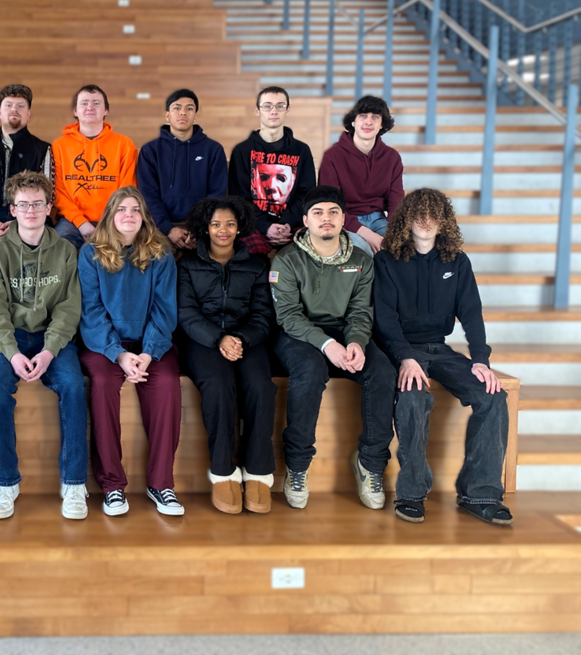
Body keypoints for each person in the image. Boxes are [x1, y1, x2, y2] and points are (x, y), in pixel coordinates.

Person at [373, 188, 511, 527]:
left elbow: (472, 312)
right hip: (401, 349)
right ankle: (411, 494)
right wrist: (405, 357)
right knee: (413, 398)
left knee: (493, 396)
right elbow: (385, 319)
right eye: (419, 214)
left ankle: (480, 494)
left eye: (433, 214)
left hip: (440, 348)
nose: (426, 221)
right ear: (406, 219)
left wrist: (480, 359)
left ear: (443, 221)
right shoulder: (386, 260)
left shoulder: (457, 262)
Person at [270, 185, 396, 511]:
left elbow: (360, 311)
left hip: (345, 332)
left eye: (333, 212)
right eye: (318, 213)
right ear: (305, 221)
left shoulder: (360, 261)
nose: (326, 219)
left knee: (382, 371)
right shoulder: (286, 260)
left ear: (343, 220)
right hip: (298, 336)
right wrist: (327, 346)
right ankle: (297, 467)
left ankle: (370, 463)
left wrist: (354, 342)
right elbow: (287, 316)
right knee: (310, 372)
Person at [0, 172, 88, 520]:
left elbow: (69, 308)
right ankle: (5, 483)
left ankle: (74, 484)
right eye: (23, 205)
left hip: (49, 338)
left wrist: (48, 350)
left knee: (73, 385)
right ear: (12, 209)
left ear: (48, 207)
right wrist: (11, 353)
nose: (30, 210)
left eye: (37, 204)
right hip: (7, 339)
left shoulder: (66, 252)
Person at [78, 187, 182, 517]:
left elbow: (165, 310)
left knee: (166, 385)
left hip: (152, 344)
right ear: (110, 215)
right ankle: (112, 485)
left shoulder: (161, 253)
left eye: (135, 210)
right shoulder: (91, 253)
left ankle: (161, 483)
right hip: (104, 346)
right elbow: (91, 311)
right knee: (104, 386)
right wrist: (118, 354)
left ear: (144, 217)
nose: (128, 215)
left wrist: (148, 353)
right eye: (121, 209)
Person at [177, 197, 276, 515]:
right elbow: (186, 315)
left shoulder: (257, 265)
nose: (223, 230)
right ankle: (223, 472)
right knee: (219, 386)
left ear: (240, 228)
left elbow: (264, 315)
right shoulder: (188, 264)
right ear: (206, 227)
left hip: (248, 340)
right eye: (216, 224)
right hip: (202, 342)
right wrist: (218, 338)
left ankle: (258, 471)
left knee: (261, 386)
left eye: (230, 224)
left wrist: (239, 338)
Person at [0, 84, 53, 252]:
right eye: (9, 105)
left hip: (31, 215)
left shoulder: (42, 149)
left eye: (21, 106)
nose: (14, 110)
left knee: (46, 242)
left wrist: (23, 219)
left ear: (28, 113)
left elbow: (48, 191)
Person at [137, 89, 227, 251]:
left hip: (202, 225)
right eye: (177, 108)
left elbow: (217, 194)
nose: (183, 113)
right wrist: (169, 229)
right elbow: (148, 195)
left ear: (195, 115)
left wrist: (197, 228)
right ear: (167, 115)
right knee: (159, 256)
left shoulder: (213, 150)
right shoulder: (150, 151)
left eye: (189, 108)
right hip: (161, 225)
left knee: (207, 257)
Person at [228, 87, 317, 248]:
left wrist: (287, 224)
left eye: (280, 106)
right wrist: (265, 226)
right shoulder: (242, 150)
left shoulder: (302, 150)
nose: (274, 111)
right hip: (254, 224)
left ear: (287, 110)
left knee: (308, 249)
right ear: (258, 110)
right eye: (268, 106)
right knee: (250, 252)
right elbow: (239, 198)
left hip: (292, 224)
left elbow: (306, 195)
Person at [52, 85, 138, 250]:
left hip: (114, 217)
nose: (90, 107)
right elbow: (58, 192)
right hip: (73, 221)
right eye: (84, 103)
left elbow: (127, 190)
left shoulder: (124, 144)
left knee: (128, 245)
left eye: (96, 103)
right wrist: (81, 222)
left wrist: (108, 223)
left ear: (106, 110)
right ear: (75, 111)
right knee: (58, 243)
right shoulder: (59, 146)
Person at [319, 95, 404, 256]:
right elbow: (330, 205)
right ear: (353, 121)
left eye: (375, 117)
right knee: (361, 250)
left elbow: (396, 201)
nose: (368, 122)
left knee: (402, 248)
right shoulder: (333, 156)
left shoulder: (392, 157)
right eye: (363, 116)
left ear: (382, 125)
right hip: (345, 220)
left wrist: (394, 233)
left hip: (379, 219)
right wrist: (368, 234)